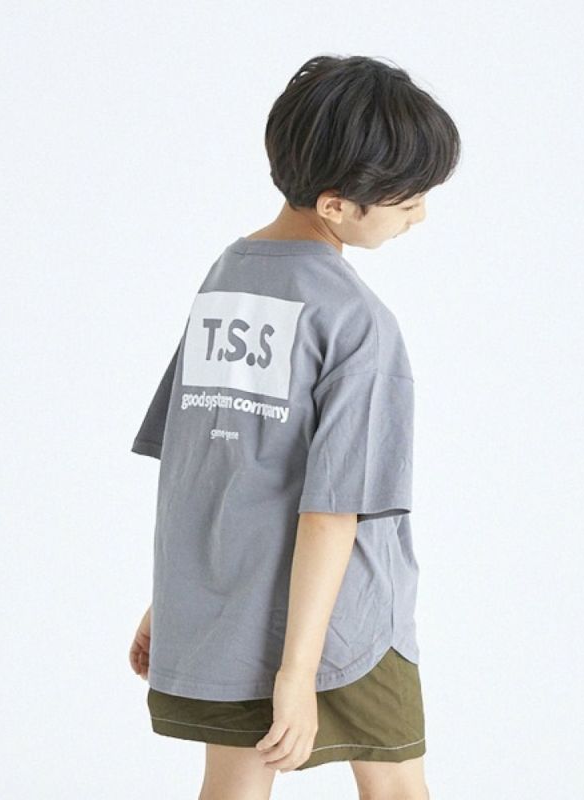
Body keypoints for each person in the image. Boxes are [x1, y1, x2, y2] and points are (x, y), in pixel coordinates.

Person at [127, 53, 460, 800]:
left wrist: (174, 601)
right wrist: (297, 673)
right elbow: (334, 510)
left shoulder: (227, 280)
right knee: (398, 789)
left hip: (230, 613)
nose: (420, 216)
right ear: (338, 205)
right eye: (409, 202)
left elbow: (204, 463)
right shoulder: (357, 322)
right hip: (344, 625)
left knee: (233, 789)